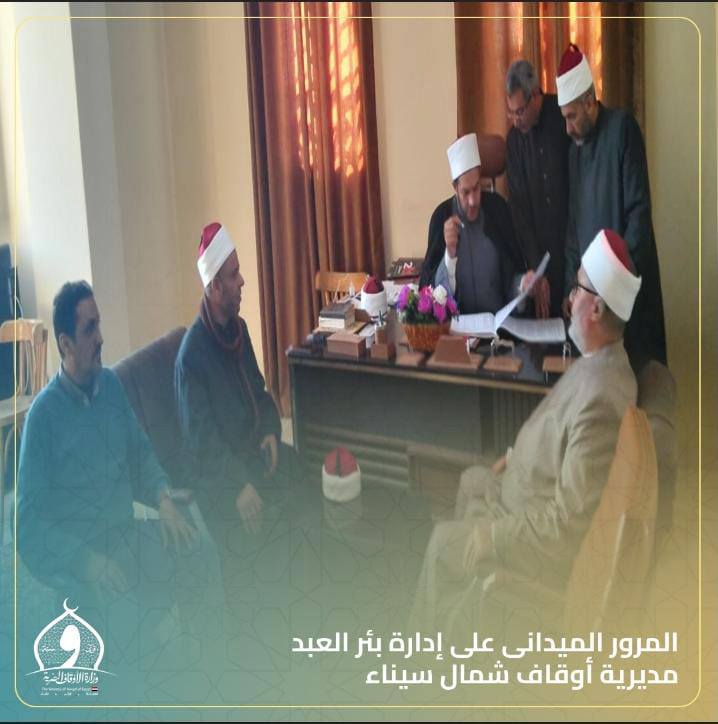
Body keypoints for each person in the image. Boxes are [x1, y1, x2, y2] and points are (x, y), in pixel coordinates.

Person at [411, 229, 641, 636]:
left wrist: (495, 537)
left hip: (524, 534)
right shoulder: (598, 360)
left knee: (440, 542)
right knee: (471, 480)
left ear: (597, 309)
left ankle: (425, 655)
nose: (569, 299)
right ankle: (453, 628)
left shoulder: (601, 400)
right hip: (519, 495)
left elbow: (566, 524)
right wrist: (515, 458)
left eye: (577, 290)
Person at [17, 281, 221, 670]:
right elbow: (27, 526)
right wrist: (87, 562)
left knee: (199, 553)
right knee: (127, 625)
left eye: (99, 325)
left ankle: (209, 666)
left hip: (127, 536)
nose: (100, 338)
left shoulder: (109, 385)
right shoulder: (43, 417)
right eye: (89, 329)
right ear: (65, 344)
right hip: (87, 561)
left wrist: (163, 499)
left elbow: (140, 453)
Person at [174, 222, 301, 595]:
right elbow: (202, 445)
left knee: (301, 473)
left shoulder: (239, 330)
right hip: (220, 479)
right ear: (214, 287)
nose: (242, 281)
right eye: (234, 275)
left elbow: (260, 392)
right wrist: (238, 486)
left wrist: (271, 432)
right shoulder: (191, 357)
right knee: (259, 542)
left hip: (253, 454)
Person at [557, 43, 667, 369]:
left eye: (572, 116)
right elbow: (574, 228)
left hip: (626, 299)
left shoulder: (623, 130)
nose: (567, 128)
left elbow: (638, 216)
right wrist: (571, 288)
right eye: (564, 118)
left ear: (589, 101)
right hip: (593, 308)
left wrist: (608, 288)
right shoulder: (574, 152)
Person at [420, 133, 546, 317]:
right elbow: (431, 295)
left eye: (477, 188)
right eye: (466, 192)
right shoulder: (441, 217)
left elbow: (511, 277)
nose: (473, 201)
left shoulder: (498, 209)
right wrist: (450, 256)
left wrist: (522, 284)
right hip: (459, 328)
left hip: (500, 325)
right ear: (455, 188)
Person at [505, 59, 571, 317]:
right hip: (537, 260)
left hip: (571, 250)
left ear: (535, 95)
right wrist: (536, 270)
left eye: (520, 111)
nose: (515, 120)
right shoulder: (514, 141)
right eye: (511, 112)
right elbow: (519, 210)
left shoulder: (563, 117)